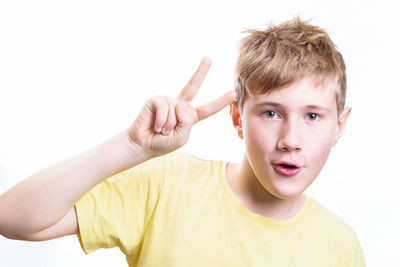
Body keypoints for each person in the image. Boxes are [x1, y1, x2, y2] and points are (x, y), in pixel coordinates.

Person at [0, 17, 366, 266]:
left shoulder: (340, 245)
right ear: (237, 117)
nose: (291, 140)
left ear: (340, 125)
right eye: (271, 113)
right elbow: (12, 218)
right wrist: (131, 148)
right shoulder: (166, 185)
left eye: (313, 116)